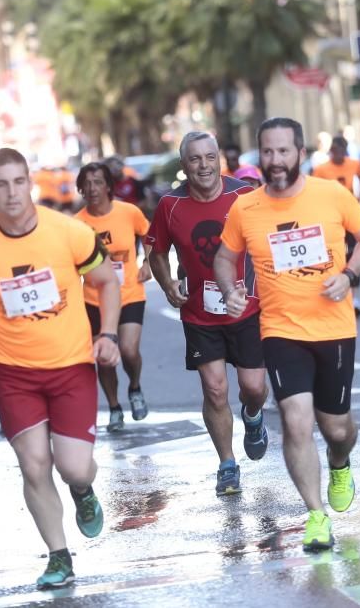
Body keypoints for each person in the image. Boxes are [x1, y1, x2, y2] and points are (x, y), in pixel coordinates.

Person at [0, 147, 121, 590]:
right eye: (2, 184)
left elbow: (106, 283)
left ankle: (83, 492)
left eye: (18, 182)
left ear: (30, 183)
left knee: (74, 468)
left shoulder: (68, 232)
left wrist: (108, 334)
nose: (12, 193)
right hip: (13, 372)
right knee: (34, 464)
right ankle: (59, 557)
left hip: (70, 367)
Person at [215, 117, 360, 552]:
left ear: (300, 153)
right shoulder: (245, 208)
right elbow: (222, 257)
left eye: (283, 151)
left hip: (334, 327)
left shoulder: (330, 194)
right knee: (296, 420)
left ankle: (340, 463)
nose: (275, 160)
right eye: (267, 152)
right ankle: (315, 515)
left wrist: (349, 275)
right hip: (280, 329)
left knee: (337, 427)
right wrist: (232, 290)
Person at [146, 131, 269, 497]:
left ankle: (252, 416)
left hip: (248, 308)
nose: (204, 165)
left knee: (253, 387)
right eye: (195, 159)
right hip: (200, 314)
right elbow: (156, 251)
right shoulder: (170, 206)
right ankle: (227, 464)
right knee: (215, 389)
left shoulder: (245, 196)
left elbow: (267, 242)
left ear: (220, 160)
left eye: (210, 157)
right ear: (184, 166)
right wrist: (168, 284)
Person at [75, 162, 152, 431]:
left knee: (129, 351)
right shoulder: (77, 224)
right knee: (104, 357)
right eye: (87, 183)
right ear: (81, 189)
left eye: (98, 182)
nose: (92, 188)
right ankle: (114, 407)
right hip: (93, 298)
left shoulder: (128, 212)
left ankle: (135, 387)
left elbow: (150, 235)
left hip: (129, 292)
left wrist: (148, 264)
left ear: (109, 185)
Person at [311, 135, 360, 318]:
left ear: (345, 150)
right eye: (334, 151)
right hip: (329, 218)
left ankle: (354, 297)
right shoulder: (321, 169)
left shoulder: (354, 164)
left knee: (352, 254)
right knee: (333, 255)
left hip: (349, 215)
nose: (337, 154)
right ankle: (338, 291)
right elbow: (312, 191)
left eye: (341, 151)